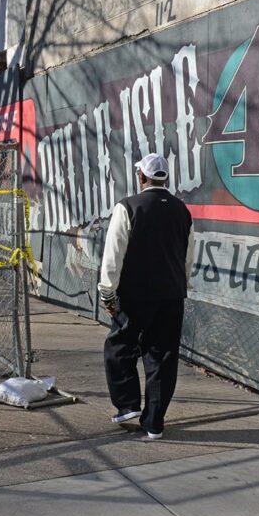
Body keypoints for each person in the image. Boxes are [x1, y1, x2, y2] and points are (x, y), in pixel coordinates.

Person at [98, 153, 196, 440]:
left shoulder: (127, 207)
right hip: (172, 295)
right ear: (165, 178)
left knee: (118, 347)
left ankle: (127, 404)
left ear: (141, 176)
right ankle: (154, 422)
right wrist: (183, 284)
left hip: (135, 294)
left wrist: (107, 292)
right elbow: (188, 255)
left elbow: (113, 255)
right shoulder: (182, 210)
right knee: (162, 356)